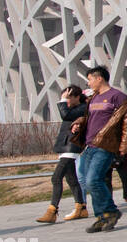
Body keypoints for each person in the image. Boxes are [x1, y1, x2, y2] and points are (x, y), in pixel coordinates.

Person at [76, 66, 127, 233]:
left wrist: (126, 146)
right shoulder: (94, 98)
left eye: (89, 79)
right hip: (90, 145)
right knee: (92, 182)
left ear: (99, 78)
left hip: (105, 146)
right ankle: (101, 217)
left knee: (93, 180)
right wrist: (79, 123)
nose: (88, 83)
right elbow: (91, 119)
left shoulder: (117, 97)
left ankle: (111, 211)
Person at [36, 85, 89, 224]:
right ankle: (81, 207)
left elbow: (65, 115)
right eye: (66, 98)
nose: (67, 101)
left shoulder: (83, 107)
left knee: (56, 178)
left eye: (69, 97)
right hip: (66, 147)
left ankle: (52, 211)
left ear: (77, 97)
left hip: (72, 147)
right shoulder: (74, 109)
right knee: (72, 180)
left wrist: (61, 101)